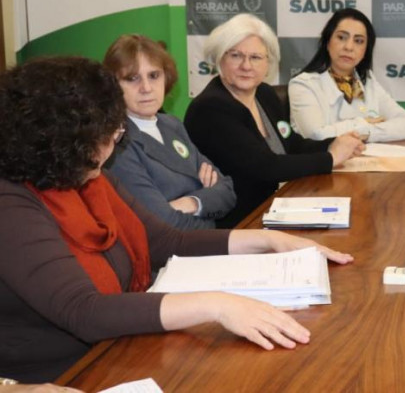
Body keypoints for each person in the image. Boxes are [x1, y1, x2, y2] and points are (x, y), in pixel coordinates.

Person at [0, 57, 354, 383]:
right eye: (108, 134)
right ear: (64, 142)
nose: (114, 142)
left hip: (122, 346)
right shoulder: (12, 204)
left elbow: (166, 242)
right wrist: (216, 305)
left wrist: (267, 240)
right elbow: (83, 311)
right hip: (66, 373)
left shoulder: (87, 177)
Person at [185, 14, 365, 228]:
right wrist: (331, 158)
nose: (246, 65)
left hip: (274, 207)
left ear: (268, 63)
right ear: (219, 59)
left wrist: (334, 143)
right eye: (235, 55)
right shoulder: (211, 108)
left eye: (255, 57)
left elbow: (292, 144)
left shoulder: (264, 94)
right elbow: (266, 166)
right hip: (238, 222)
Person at [103, 34, 236, 229]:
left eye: (154, 76)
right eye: (132, 78)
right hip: (172, 248)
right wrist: (205, 198)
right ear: (113, 86)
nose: (146, 88)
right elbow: (161, 224)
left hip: (204, 241)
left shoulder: (171, 124)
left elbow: (227, 191)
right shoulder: (116, 143)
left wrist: (191, 203)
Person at [289, 8, 405, 142]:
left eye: (358, 41)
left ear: (366, 50)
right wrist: (363, 123)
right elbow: (316, 135)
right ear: (327, 42)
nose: (349, 47)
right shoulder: (303, 85)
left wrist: (367, 132)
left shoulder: (367, 81)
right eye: (341, 37)